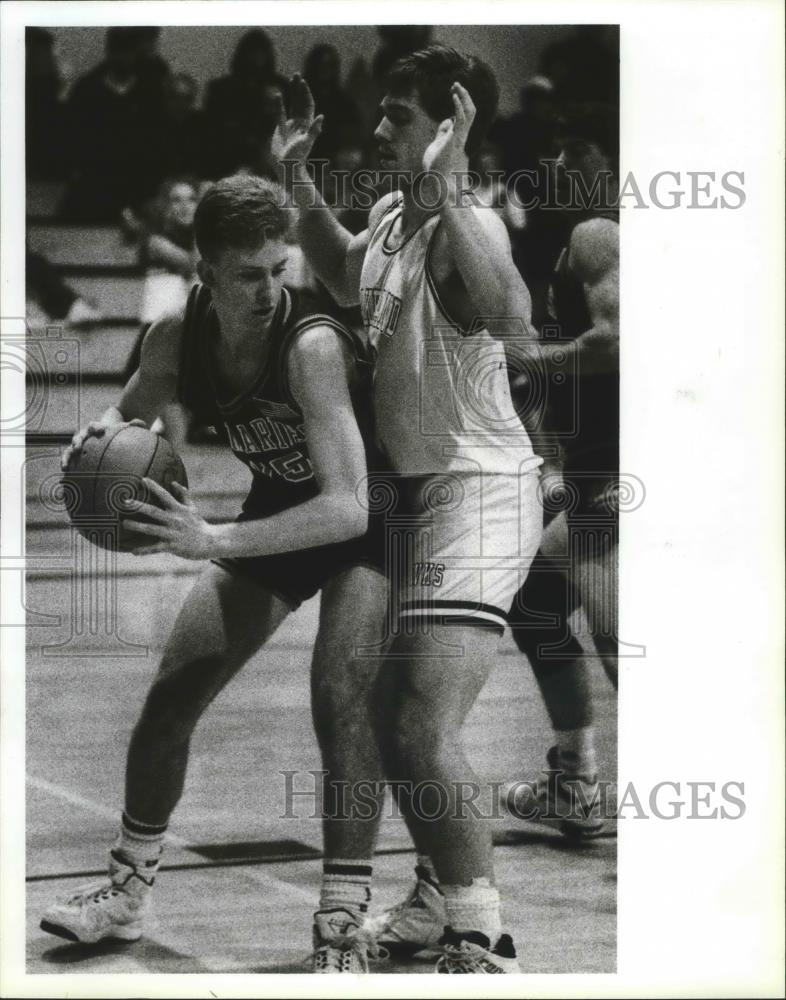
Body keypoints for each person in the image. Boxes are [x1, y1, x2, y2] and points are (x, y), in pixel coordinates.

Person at [40, 175, 392, 974]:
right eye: (247, 274)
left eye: (279, 268)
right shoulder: (174, 337)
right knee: (172, 693)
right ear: (205, 272)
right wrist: (87, 447)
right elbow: (124, 413)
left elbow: (348, 509)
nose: (269, 289)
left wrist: (212, 537)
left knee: (339, 696)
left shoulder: (310, 347)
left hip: (377, 515)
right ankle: (126, 893)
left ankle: (342, 912)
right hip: (283, 505)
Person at [274, 45, 543, 973]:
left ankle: (484, 935)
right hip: (423, 492)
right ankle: (436, 895)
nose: (379, 128)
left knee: (422, 719)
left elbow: (512, 317)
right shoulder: (393, 213)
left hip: (483, 486)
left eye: (398, 115)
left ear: (448, 120)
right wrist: (298, 180)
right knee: (390, 713)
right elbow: (344, 274)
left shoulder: (472, 219)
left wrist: (456, 178)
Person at [501, 105, 620, 836]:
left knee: (617, 638)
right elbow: (552, 379)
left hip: (618, 470)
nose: (554, 168)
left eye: (569, 155)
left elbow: (615, 341)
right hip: (591, 472)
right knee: (538, 606)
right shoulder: (552, 251)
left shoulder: (596, 234)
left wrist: (534, 360)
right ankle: (575, 783)